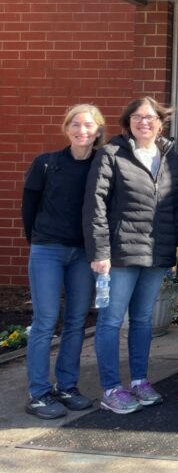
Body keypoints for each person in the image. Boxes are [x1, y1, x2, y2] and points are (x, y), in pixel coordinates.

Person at [84, 97, 178, 414]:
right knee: (112, 320)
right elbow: (95, 204)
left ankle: (140, 381)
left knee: (143, 320)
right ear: (128, 122)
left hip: (156, 252)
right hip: (120, 253)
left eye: (151, 117)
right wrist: (100, 251)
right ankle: (112, 388)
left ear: (161, 122)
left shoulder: (169, 156)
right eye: (138, 117)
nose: (145, 122)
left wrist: (177, 242)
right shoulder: (111, 154)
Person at [22, 104, 105, 419]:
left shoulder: (100, 165)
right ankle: (39, 393)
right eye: (76, 124)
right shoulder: (47, 163)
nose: (82, 131)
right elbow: (29, 207)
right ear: (67, 128)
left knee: (76, 321)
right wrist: (40, 241)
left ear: (97, 131)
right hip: (48, 249)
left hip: (83, 253)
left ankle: (66, 386)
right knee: (45, 320)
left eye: (88, 126)